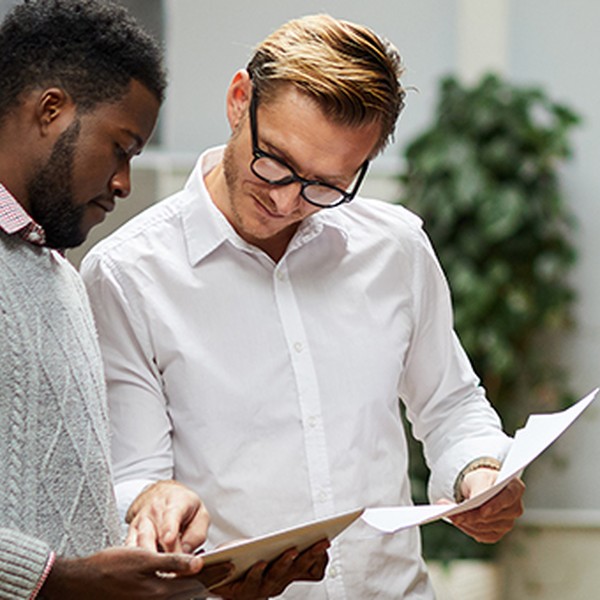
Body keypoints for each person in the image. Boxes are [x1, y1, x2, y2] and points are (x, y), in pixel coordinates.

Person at [81, 14, 525, 598]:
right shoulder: (127, 275)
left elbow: (450, 405)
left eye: (326, 183)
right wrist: (152, 509)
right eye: (276, 162)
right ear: (240, 100)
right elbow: (132, 477)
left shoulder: (395, 246)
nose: (288, 200)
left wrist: (479, 470)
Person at [0, 1, 237, 598]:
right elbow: (64, 574)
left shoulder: (61, 280)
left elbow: (62, 510)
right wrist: (61, 581)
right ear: (50, 110)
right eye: (121, 147)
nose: (124, 183)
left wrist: (160, 553)